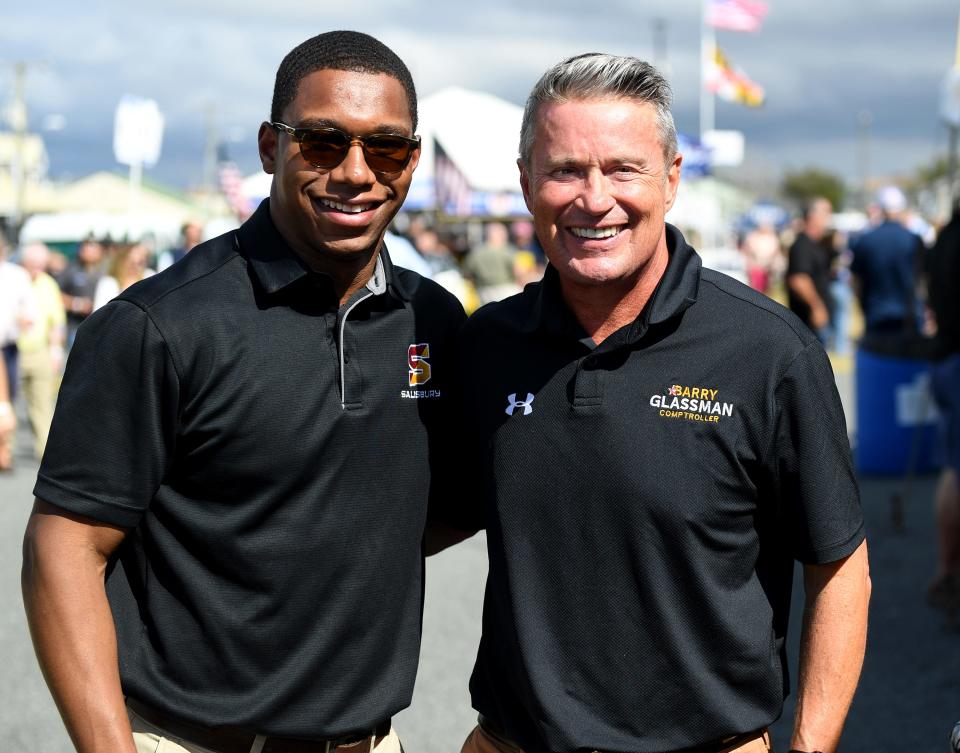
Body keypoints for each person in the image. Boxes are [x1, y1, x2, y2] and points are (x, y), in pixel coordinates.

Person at [22, 30, 464, 753]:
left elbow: (437, 503)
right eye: (322, 142)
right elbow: (63, 546)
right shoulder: (157, 325)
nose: (356, 171)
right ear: (270, 147)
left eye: (385, 148)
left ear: (412, 160)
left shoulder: (435, 321)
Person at [440, 54, 870, 753]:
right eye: (565, 170)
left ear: (671, 179)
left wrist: (811, 747)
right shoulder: (488, 345)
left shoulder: (767, 351)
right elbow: (421, 514)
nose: (594, 197)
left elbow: (840, 564)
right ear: (525, 184)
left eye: (622, 168)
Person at [926, 208, 960, 610]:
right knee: (955, 467)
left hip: (945, 355)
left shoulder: (944, 238)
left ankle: (948, 567)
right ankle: (948, 569)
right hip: (954, 357)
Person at [849, 186, 924, 339]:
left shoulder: (865, 241)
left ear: (881, 209)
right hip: (909, 316)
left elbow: (856, 281)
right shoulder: (914, 240)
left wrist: (862, 306)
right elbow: (922, 279)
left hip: (876, 315)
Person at [17, 242, 66, 459]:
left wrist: (55, 350)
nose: (36, 268)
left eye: (40, 264)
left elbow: (56, 322)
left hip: (40, 351)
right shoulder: (12, 280)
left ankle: (45, 453)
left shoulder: (48, 285)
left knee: (42, 403)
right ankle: (4, 450)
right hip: (11, 350)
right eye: (32, 264)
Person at [0, 236, 37, 470]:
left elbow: (29, 306)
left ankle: (5, 447)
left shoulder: (16, 274)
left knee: (8, 398)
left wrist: (26, 318)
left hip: (8, 347)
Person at [787, 198, 834, 343]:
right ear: (813, 216)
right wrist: (817, 307)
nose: (829, 219)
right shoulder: (802, 245)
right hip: (808, 321)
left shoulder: (816, 244)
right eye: (826, 213)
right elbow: (798, 280)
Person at [58, 236, 103, 347]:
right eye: (86, 247)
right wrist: (77, 304)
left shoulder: (105, 272)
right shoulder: (71, 270)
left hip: (101, 327)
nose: (89, 251)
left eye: (93, 247)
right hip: (76, 327)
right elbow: (56, 295)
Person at [92, 241, 156, 310]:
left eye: (140, 262)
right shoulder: (108, 283)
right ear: (121, 260)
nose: (135, 266)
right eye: (131, 262)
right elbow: (99, 311)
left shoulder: (149, 276)